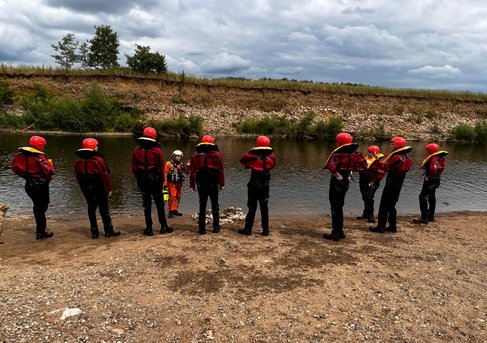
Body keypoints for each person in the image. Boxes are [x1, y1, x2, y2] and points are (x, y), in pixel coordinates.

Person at [74, 138, 120, 239]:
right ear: (92, 147)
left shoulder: (78, 161)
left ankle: (94, 233)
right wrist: (109, 189)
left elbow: (78, 176)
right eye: (96, 145)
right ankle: (108, 231)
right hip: (99, 188)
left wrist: (83, 188)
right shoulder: (98, 160)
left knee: (91, 208)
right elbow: (105, 176)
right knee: (104, 209)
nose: (97, 147)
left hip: (86, 188)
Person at [11, 135, 54, 239]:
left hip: (29, 184)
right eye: (43, 145)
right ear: (39, 145)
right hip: (40, 184)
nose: (43, 147)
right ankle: (41, 232)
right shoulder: (38, 156)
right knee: (42, 208)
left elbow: (14, 167)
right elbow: (48, 171)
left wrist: (25, 176)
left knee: (37, 206)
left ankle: (40, 230)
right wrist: (50, 169)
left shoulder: (20, 155)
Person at [132, 127, 173, 236]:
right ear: (154, 136)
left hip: (143, 180)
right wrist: (162, 181)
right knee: (160, 204)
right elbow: (161, 166)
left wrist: (139, 178)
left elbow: (134, 167)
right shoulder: (157, 150)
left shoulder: (136, 150)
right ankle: (163, 226)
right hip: (155, 179)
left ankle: (149, 228)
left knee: (147, 205)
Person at [323, 132, 364, 241]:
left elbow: (330, 166)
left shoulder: (338, 154)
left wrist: (336, 172)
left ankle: (335, 233)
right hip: (346, 180)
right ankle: (340, 231)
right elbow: (363, 166)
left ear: (339, 142)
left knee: (335, 206)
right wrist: (352, 169)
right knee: (339, 205)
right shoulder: (356, 154)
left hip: (337, 180)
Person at [370, 136, 412, 233]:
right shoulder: (405, 157)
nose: (391, 146)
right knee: (391, 205)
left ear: (396, 145)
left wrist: (378, 160)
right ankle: (392, 226)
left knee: (384, 205)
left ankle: (380, 227)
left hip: (392, 184)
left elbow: (386, 167)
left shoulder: (397, 157)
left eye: (392, 144)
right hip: (398, 185)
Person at [238, 135, 276, 236]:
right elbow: (273, 165)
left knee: (252, 207)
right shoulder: (272, 156)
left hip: (254, 184)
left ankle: (248, 230)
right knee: (264, 208)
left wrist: (251, 151)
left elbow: (242, 160)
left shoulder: (252, 156)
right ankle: (265, 230)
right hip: (265, 184)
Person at [189, 135, 224, 235]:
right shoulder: (217, 155)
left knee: (202, 205)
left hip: (201, 182)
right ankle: (216, 227)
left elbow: (193, 172)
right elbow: (221, 170)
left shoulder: (195, 155)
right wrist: (222, 183)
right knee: (215, 204)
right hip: (213, 182)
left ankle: (202, 229)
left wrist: (192, 185)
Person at [412, 143, 448, 224]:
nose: (427, 152)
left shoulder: (434, 157)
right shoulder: (440, 157)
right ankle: (430, 216)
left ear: (430, 151)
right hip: (436, 180)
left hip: (430, 180)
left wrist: (428, 177)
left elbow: (433, 168)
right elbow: (438, 168)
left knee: (422, 197)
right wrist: (425, 172)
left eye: (427, 151)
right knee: (431, 197)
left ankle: (424, 218)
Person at [357, 145, 386, 223]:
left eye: (371, 152)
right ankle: (365, 214)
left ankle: (371, 216)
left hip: (372, 182)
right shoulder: (365, 159)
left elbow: (381, 173)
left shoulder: (379, 162)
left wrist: (374, 181)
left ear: (375, 153)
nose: (369, 153)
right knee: (364, 196)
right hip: (363, 180)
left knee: (369, 197)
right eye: (368, 152)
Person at [164, 150, 186, 218]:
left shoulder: (181, 164)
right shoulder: (168, 164)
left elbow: (184, 173)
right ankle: (171, 210)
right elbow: (165, 174)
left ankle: (175, 209)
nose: (179, 158)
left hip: (179, 183)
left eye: (180, 156)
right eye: (177, 156)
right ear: (174, 156)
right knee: (172, 196)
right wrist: (165, 184)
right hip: (171, 183)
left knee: (178, 196)